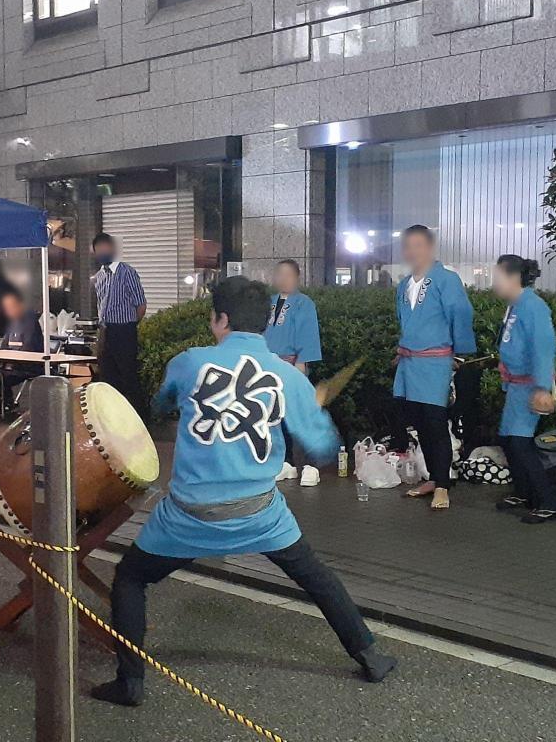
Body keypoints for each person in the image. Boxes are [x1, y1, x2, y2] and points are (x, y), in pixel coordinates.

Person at [90, 277, 396, 707]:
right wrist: (311, 406)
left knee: (131, 577)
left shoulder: (189, 362)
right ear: (265, 323)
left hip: (188, 516)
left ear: (221, 319)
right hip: (260, 513)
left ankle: (130, 682)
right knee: (316, 577)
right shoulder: (288, 378)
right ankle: (369, 656)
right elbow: (325, 449)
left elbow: (161, 405)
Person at [394, 225, 476, 510]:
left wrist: (461, 355)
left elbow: (461, 314)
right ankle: (431, 477)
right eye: (408, 245)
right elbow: (403, 321)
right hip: (410, 362)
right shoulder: (403, 285)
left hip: (437, 362)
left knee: (436, 422)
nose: (413, 251)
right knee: (418, 424)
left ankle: (443, 485)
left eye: (418, 245)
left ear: (430, 247)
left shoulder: (446, 279)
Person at [491, 256, 556, 525]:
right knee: (509, 440)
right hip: (517, 385)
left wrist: (543, 388)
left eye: (497, 276)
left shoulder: (533, 307)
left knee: (520, 443)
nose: (494, 282)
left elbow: (543, 348)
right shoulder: (515, 306)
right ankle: (524, 493)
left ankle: (548, 502)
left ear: (513, 277)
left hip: (530, 384)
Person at [264, 259, 324, 487]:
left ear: (297, 277)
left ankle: (310, 465)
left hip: (292, 366)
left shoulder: (304, 304)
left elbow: (307, 336)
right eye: (279, 274)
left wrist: (301, 367)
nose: (283, 278)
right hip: (270, 367)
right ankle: (286, 462)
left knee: (300, 415)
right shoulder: (269, 303)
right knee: (276, 417)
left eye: (288, 274)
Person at [91, 232, 148, 418]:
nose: (102, 253)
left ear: (113, 249)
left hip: (124, 331)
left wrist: (129, 325)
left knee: (129, 377)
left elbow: (141, 305)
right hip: (105, 331)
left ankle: (140, 418)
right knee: (108, 378)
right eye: (98, 250)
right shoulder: (99, 276)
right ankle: (113, 419)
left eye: (105, 249)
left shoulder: (127, 272)